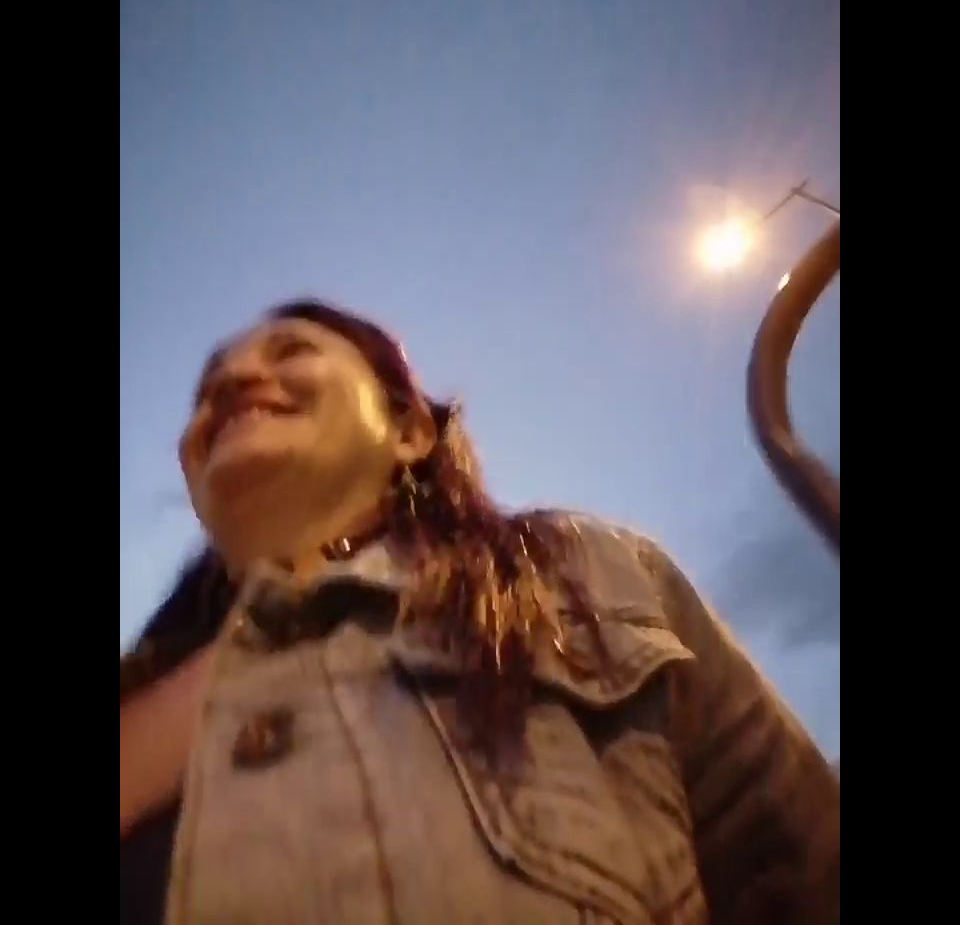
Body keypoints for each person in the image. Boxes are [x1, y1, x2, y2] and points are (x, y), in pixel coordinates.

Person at [120, 300, 840, 925]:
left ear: (410, 431)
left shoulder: (589, 576)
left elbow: (807, 869)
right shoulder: (139, 692)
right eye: (208, 385)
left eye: (290, 351)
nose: (234, 380)